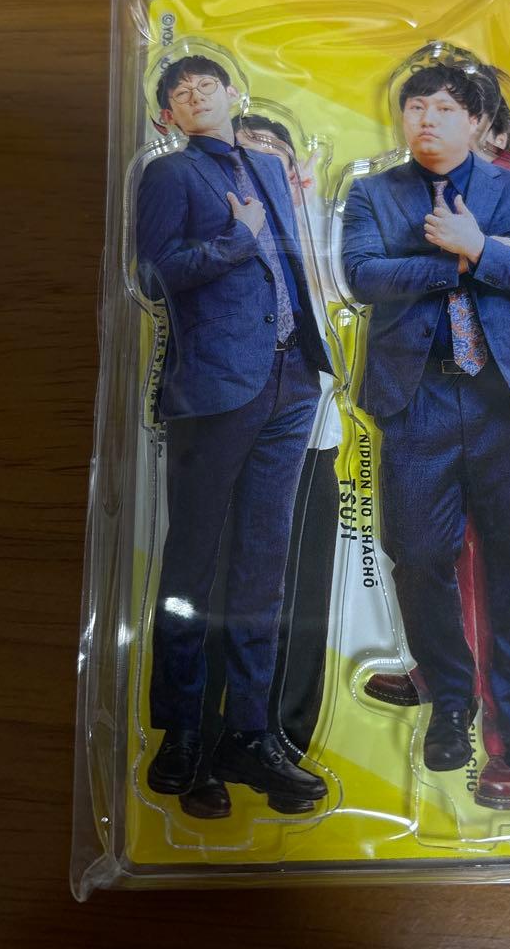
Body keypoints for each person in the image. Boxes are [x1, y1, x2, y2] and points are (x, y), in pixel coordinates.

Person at [342, 62, 510, 790]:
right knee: (420, 556)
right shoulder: (372, 193)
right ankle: (450, 703)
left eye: (445, 108)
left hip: (506, 403)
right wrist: (460, 257)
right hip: (415, 400)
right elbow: (363, 277)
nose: (426, 119)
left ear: (479, 121)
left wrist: (482, 246)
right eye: (415, 106)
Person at [136, 55, 333, 818]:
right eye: (180, 93)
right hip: (214, 389)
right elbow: (152, 274)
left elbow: (296, 264)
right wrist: (235, 240)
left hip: (292, 380)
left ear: (229, 93)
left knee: (262, 568)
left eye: (205, 85)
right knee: (192, 566)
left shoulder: (271, 169)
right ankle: (182, 734)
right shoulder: (169, 176)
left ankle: (249, 733)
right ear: (169, 115)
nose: (195, 95)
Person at [194, 112, 343, 816]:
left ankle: (281, 746)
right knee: (220, 595)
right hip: (230, 438)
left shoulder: (315, 227)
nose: (258, 165)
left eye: (273, 156)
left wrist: (302, 216)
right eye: (243, 154)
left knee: (302, 601)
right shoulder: (211, 229)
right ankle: (202, 749)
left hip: (311, 440)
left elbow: (342, 293)